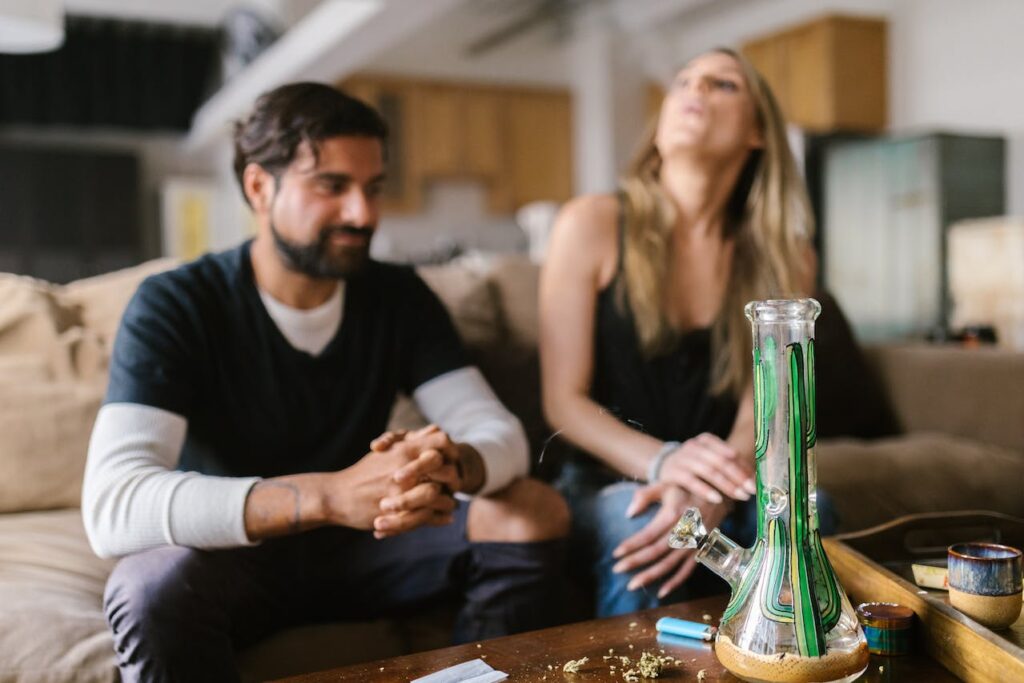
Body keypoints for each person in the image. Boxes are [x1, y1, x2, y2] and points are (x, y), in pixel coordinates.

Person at [81, 82, 569, 682]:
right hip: (237, 557)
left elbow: (501, 435)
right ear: (259, 187)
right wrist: (332, 496)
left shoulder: (398, 297)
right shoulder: (177, 304)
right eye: (331, 186)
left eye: (373, 188)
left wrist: (450, 464)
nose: (362, 214)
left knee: (532, 510)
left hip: (371, 547)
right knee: (148, 586)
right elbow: (113, 504)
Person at [539, 48, 835, 618]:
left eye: (721, 84)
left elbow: (763, 414)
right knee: (655, 525)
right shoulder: (591, 223)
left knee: (821, 516)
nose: (693, 91)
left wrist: (714, 489)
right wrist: (665, 464)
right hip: (605, 478)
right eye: (682, 81)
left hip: (724, 479)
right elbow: (562, 401)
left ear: (757, 133)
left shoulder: (787, 257)